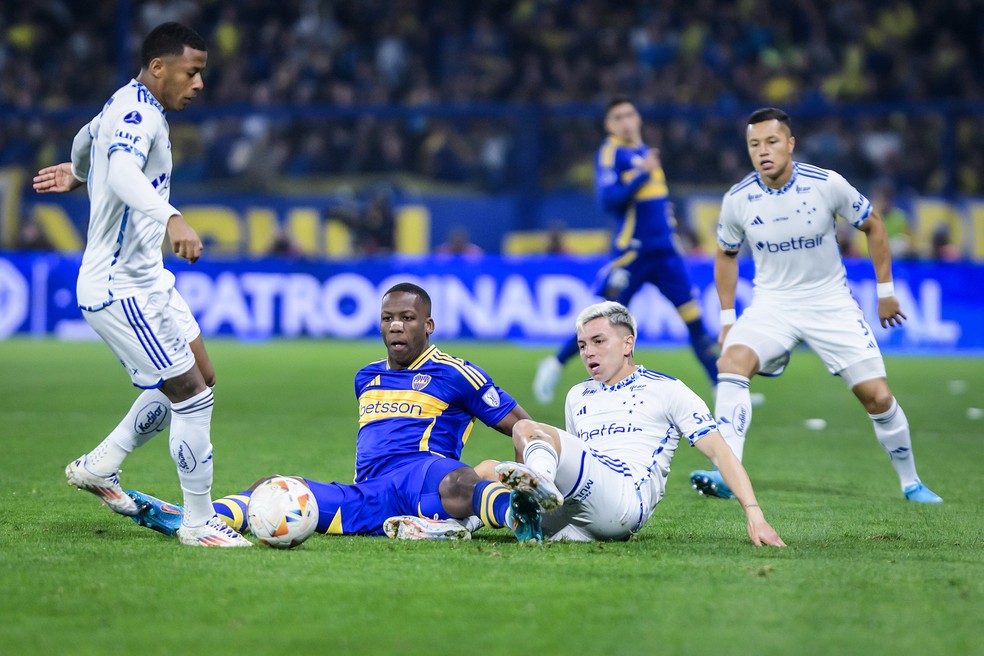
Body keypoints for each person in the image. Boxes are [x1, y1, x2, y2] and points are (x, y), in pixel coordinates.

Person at [32, 22, 250, 547]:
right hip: (118, 287)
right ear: (159, 67)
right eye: (192, 72)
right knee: (191, 398)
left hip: (148, 278)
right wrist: (173, 217)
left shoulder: (126, 104)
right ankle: (199, 525)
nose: (199, 84)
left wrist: (81, 173)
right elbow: (127, 174)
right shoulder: (137, 113)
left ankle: (101, 465)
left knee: (202, 374)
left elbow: (86, 139)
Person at [127, 283, 548, 543]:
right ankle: (193, 518)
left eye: (408, 318)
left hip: (425, 479)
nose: (396, 326)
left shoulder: (457, 374)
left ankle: (517, 515)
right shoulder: (366, 377)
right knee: (274, 486)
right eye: (388, 318)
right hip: (369, 493)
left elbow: (524, 426)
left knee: (461, 480)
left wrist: (536, 470)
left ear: (428, 325)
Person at [688, 107, 943, 504]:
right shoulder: (738, 199)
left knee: (877, 396)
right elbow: (725, 253)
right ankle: (727, 471)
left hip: (830, 305)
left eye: (772, 142)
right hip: (773, 305)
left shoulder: (825, 184)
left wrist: (886, 291)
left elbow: (874, 223)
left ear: (790, 144)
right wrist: (726, 319)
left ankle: (911, 483)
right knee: (730, 362)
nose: (763, 151)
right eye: (754, 144)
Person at [494, 301, 784, 545]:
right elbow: (573, 458)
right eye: (582, 345)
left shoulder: (667, 390)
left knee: (524, 429)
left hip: (625, 501)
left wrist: (754, 514)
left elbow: (720, 452)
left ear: (627, 343)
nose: (588, 352)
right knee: (485, 472)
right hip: (583, 513)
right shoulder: (577, 395)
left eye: (598, 341)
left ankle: (534, 490)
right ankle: (460, 523)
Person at [533, 96, 718, 405]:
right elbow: (608, 200)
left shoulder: (645, 153)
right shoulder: (612, 154)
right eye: (618, 117)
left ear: (639, 119)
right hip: (633, 254)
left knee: (694, 319)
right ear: (609, 125)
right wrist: (643, 174)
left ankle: (720, 387)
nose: (626, 121)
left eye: (630, 114)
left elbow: (649, 203)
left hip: (666, 254)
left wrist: (663, 214)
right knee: (603, 322)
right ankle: (553, 365)